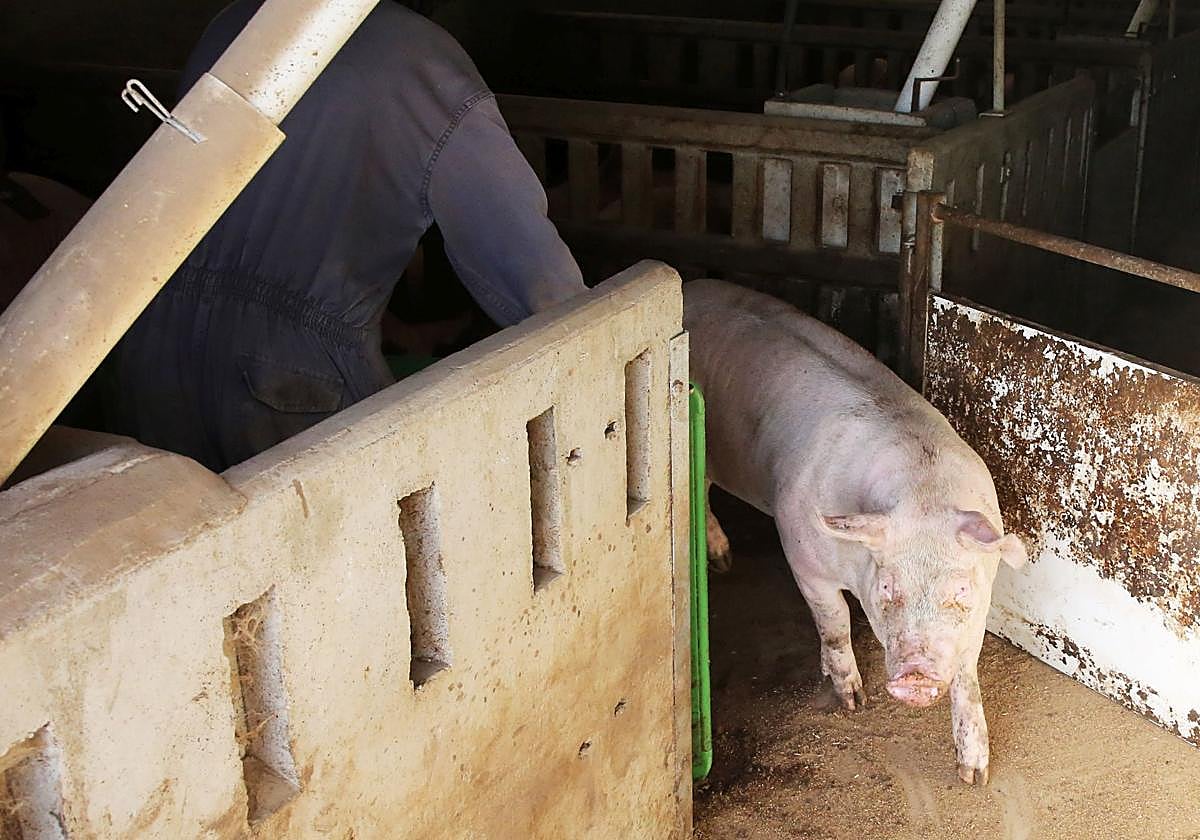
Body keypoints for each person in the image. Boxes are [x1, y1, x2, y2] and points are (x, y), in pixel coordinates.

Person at [108, 0, 586, 471]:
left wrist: (393, 330)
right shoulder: (424, 61)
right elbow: (537, 281)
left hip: (151, 344)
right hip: (288, 380)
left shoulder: (234, 23)